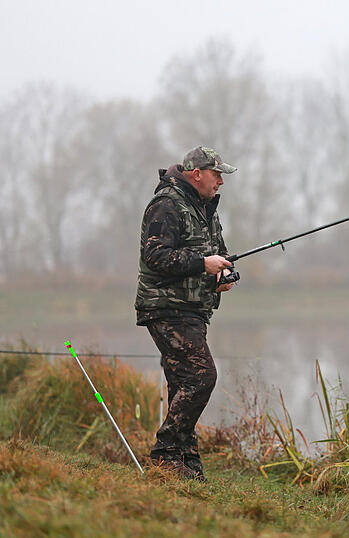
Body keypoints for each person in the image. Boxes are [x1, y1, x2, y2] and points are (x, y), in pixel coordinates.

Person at [134, 146, 237, 481]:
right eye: (217, 174)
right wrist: (202, 264)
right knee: (201, 377)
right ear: (198, 173)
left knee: (182, 384)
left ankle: (187, 462)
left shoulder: (206, 209)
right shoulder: (166, 204)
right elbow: (155, 256)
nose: (221, 181)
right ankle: (164, 454)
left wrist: (221, 275)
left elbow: (215, 254)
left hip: (195, 310)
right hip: (166, 307)